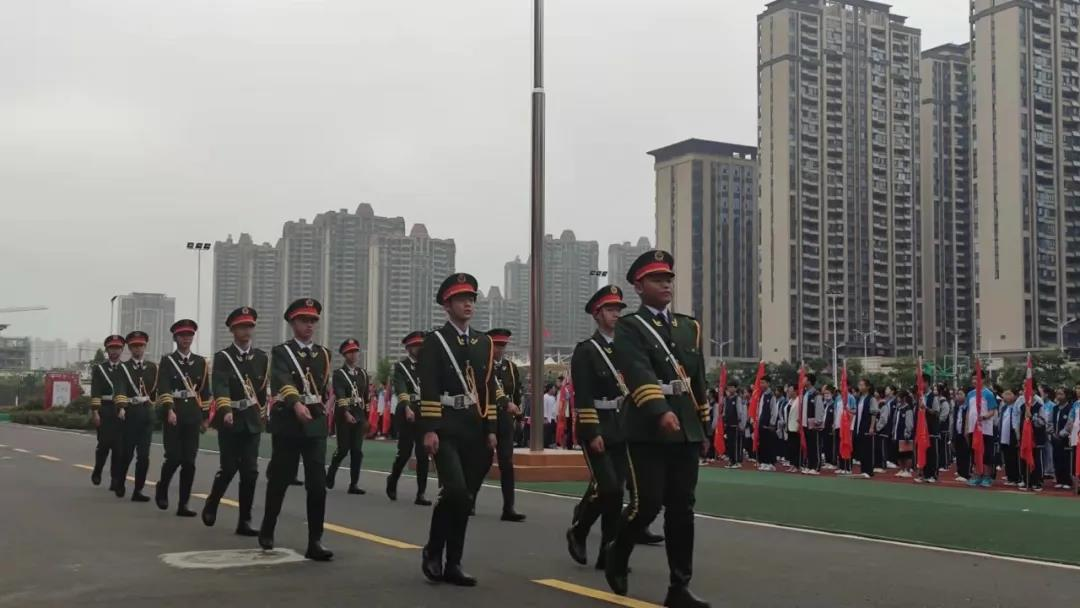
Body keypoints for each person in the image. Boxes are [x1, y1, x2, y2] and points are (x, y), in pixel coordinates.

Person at [603, 250, 710, 608]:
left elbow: (697, 379)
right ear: (639, 285)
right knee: (646, 505)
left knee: (683, 508)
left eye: (668, 277)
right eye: (656, 278)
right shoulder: (629, 327)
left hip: (686, 430)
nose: (666, 283)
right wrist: (660, 410)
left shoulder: (688, 326)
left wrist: (703, 423)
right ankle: (618, 551)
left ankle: (679, 586)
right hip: (648, 428)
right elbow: (637, 371)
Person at [418, 273, 502, 587]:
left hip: (475, 428)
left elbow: (488, 387)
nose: (468, 304)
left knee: (465, 498)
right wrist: (430, 429)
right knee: (453, 490)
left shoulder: (484, 342)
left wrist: (491, 426)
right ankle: (433, 549)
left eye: (471, 299)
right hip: (446, 425)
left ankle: (453, 561)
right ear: (447, 304)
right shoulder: (435, 341)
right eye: (461, 299)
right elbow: (428, 387)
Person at [259, 298, 333, 561]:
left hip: (314, 425)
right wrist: (295, 403)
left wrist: (317, 408)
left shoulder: (324, 354)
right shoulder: (281, 352)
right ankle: (268, 528)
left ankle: (316, 541)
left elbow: (322, 388)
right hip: (288, 423)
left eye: (313, 321)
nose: (309, 325)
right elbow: (282, 380)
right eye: (304, 320)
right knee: (280, 478)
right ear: (292, 323)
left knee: (317, 485)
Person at [567, 285, 631, 570]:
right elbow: (582, 395)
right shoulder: (586, 351)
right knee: (610, 488)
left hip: (623, 424)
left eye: (618, 309)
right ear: (597, 314)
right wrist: (592, 432)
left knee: (616, 490)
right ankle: (579, 531)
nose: (616, 314)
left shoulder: (627, 348)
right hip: (598, 424)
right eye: (610, 309)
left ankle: (609, 552)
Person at [203, 307, 267, 536]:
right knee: (229, 468)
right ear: (232, 330)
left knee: (250, 472)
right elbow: (219, 385)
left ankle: (245, 521)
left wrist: (264, 411)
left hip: (251, 421)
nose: (246, 330)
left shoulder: (261, 357)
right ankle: (212, 502)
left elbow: (261, 391)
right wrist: (225, 408)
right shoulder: (223, 357)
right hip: (230, 420)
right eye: (241, 326)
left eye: (249, 326)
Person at [155, 319, 210, 517]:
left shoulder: (201, 362)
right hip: (174, 414)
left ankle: (183, 503)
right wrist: (169, 409)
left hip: (192, 415)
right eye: (182, 335)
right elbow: (164, 387)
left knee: (189, 461)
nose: (186, 339)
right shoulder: (168, 361)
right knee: (174, 458)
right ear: (175, 338)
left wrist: (204, 417)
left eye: (189, 335)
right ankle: (162, 488)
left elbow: (204, 391)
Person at [474, 328, 526, 522]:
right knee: (483, 462)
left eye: (503, 346)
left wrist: (519, 417)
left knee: (507, 464)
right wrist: (506, 403)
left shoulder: (510, 368)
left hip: (505, 421)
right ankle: (470, 500)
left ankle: (508, 508)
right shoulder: (483, 366)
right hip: (487, 418)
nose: (500, 350)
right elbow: (492, 391)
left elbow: (517, 393)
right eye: (497, 345)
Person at [387, 331, 431, 505]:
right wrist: (406, 407)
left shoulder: (427, 366)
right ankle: (393, 479)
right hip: (407, 412)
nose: (419, 348)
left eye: (421, 345)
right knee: (404, 453)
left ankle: (421, 493)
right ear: (408, 348)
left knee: (423, 454)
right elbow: (401, 388)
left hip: (424, 412)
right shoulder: (401, 367)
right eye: (415, 346)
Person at [326, 338, 370, 495]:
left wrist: (366, 418)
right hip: (344, 415)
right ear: (345, 355)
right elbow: (340, 394)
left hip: (359, 415)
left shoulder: (363, 374)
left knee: (357, 451)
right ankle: (330, 474)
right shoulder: (339, 374)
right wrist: (346, 412)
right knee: (343, 449)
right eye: (350, 352)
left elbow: (366, 397)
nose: (354, 354)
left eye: (356, 351)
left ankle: (354, 484)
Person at [117, 331, 156, 501]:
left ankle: (138, 490)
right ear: (129, 348)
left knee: (144, 456)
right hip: (130, 413)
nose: (137, 349)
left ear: (145, 347)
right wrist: (121, 406)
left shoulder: (153, 367)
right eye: (134, 346)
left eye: (140, 345)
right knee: (127, 454)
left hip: (146, 414)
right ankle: (120, 482)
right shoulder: (123, 368)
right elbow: (119, 388)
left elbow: (156, 390)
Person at [90, 335, 130, 493]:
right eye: (111, 348)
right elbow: (95, 391)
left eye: (118, 348)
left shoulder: (126, 368)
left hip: (121, 409)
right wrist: (95, 412)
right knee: (104, 444)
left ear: (122, 350)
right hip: (105, 408)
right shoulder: (100, 369)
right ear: (107, 350)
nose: (115, 351)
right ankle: (98, 469)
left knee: (119, 448)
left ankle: (115, 479)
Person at [965, 373, 999, 488]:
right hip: (972, 429)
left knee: (986, 454)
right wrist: (966, 428)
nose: (974, 381)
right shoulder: (970, 394)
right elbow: (969, 412)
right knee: (975, 453)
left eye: (977, 379)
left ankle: (987, 476)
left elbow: (992, 411)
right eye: (973, 378)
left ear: (983, 380)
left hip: (985, 429)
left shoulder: (988, 394)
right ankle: (977, 475)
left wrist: (984, 417)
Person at [852, 379, 877, 478]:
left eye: (862, 385)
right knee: (861, 449)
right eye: (859, 385)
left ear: (867, 387)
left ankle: (869, 471)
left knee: (868, 449)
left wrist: (871, 427)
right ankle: (863, 470)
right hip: (859, 426)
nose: (860, 387)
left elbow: (874, 413)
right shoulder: (860, 398)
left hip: (867, 426)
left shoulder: (871, 399)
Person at [998, 388, 1022, 486]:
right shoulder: (1004, 408)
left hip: (1013, 436)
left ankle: (1016, 478)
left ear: (1015, 396)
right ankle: (1010, 476)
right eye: (1005, 394)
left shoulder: (1017, 407)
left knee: (1014, 457)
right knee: (1007, 458)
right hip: (1004, 436)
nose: (1005, 396)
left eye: (1009, 394)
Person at [1052, 387, 1073, 489]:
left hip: (1065, 438)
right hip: (1054, 438)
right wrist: (1052, 432)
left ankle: (1067, 481)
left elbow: (1069, 424)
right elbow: (1050, 422)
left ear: (1066, 396)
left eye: (1061, 394)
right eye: (1058, 394)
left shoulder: (1070, 408)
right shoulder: (1055, 408)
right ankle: (1059, 479)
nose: (1059, 396)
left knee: (1066, 460)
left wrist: (1061, 434)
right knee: (1057, 459)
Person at [891, 390, 914, 478]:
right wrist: (893, 432)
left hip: (904, 435)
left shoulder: (908, 408)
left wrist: (907, 432)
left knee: (906, 453)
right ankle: (902, 469)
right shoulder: (898, 408)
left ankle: (907, 470)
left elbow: (909, 423)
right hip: (897, 434)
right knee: (899, 454)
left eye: (899, 397)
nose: (898, 398)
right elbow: (894, 421)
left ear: (904, 398)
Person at [755, 378, 776, 471]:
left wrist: (772, 423)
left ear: (768, 383)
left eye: (763, 383)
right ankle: (763, 462)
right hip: (761, 423)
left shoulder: (771, 396)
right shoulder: (761, 395)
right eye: (760, 383)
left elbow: (774, 411)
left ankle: (770, 463)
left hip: (768, 424)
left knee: (768, 444)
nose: (761, 385)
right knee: (762, 444)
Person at [722, 380, 744, 468]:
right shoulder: (726, 399)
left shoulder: (737, 398)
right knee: (729, 444)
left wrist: (739, 422)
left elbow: (740, 412)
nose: (730, 389)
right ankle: (731, 460)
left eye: (732, 387)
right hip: (728, 424)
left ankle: (736, 461)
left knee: (735, 444)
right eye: (729, 387)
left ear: (735, 388)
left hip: (735, 424)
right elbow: (724, 410)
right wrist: (724, 418)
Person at [953, 386, 971, 482]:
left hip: (965, 433)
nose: (958, 396)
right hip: (958, 433)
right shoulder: (957, 407)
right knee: (959, 454)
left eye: (960, 394)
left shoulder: (968, 407)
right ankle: (960, 472)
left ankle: (966, 473)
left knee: (965, 454)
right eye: (957, 394)